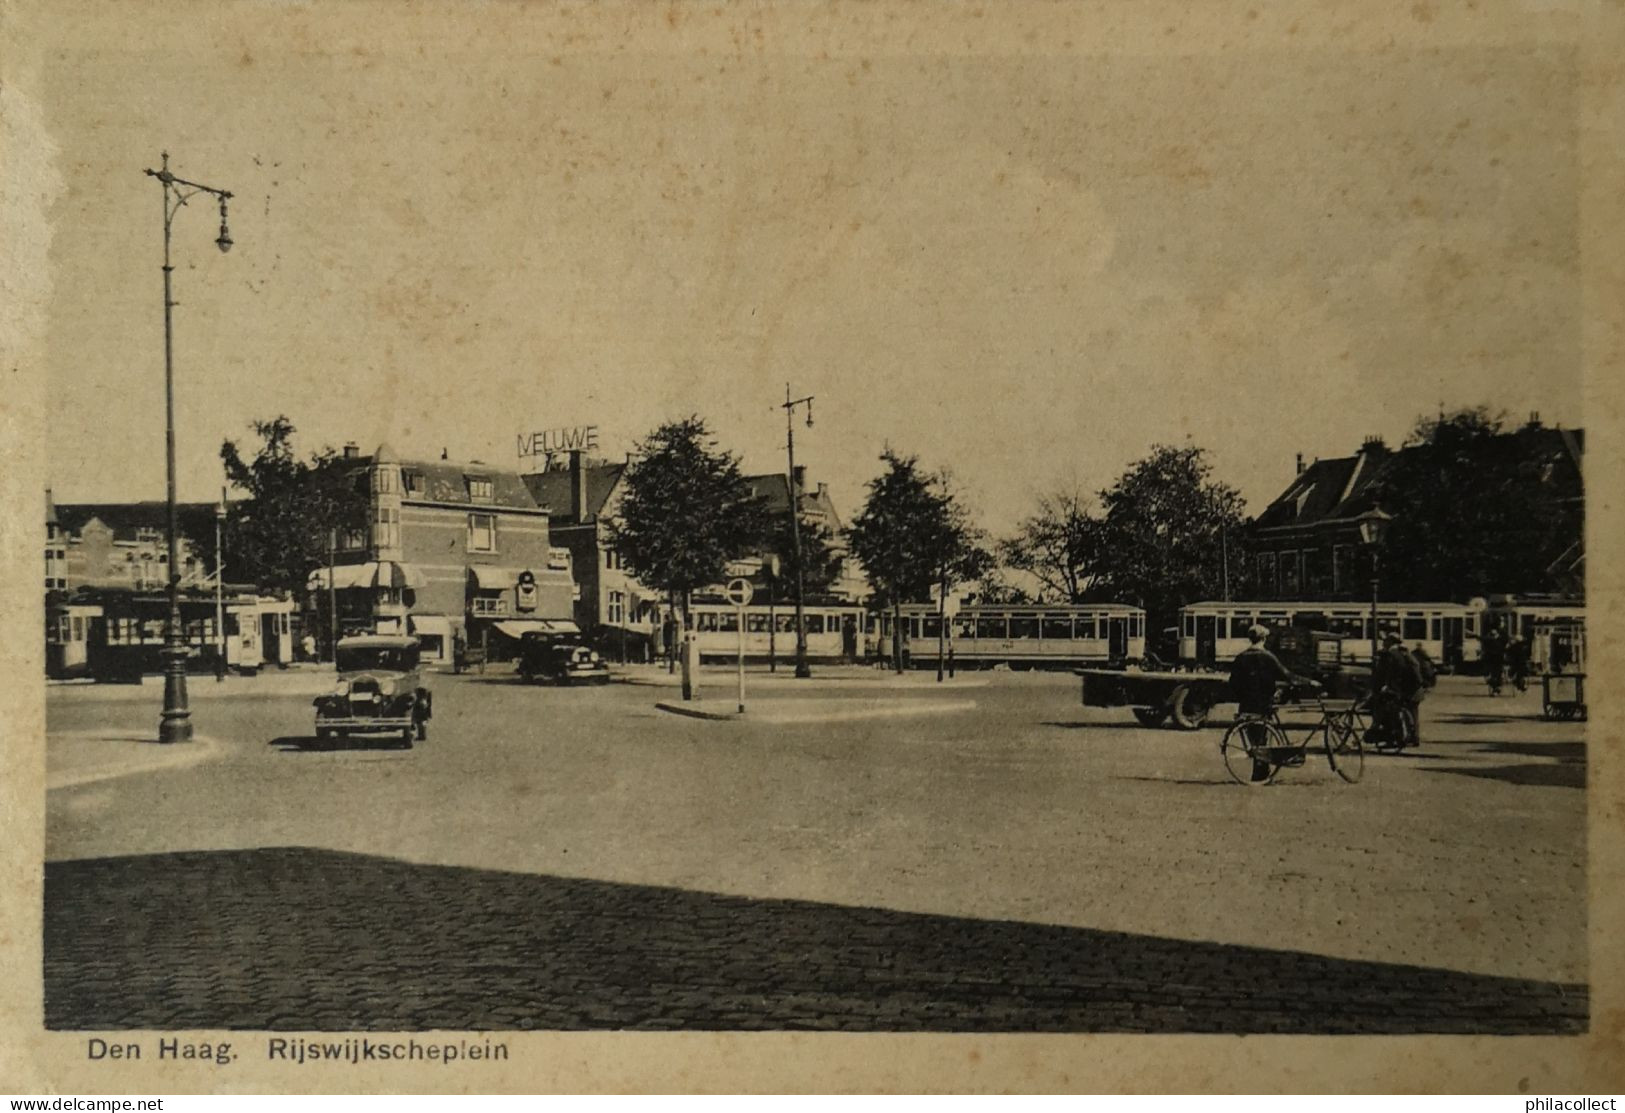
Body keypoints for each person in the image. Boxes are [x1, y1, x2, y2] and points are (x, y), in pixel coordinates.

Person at [1228, 624, 1313, 782]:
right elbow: (1287, 674)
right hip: (1263, 703)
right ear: (1264, 639)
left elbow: (1233, 683)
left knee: (1255, 739)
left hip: (1246, 704)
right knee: (1262, 737)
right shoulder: (1267, 656)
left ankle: (1260, 772)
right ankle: (1262, 771)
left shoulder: (1240, 657)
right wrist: (1309, 682)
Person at [1372, 633, 1424, 748]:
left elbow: (1395, 672)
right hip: (1416, 689)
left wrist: (1389, 686)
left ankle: (1397, 738)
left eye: (1386, 641)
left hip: (1408, 690)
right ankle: (1414, 737)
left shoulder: (1393, 654)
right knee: (1412, 714)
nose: (1383, 643)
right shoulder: (1405, 652)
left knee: (1394, 711)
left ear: (1390, 642)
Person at [1481, 622, 1507, 696]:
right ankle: (1494, 687)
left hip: (1499, 659)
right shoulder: (1489, 639)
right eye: (1492, 631)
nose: (1492, 632)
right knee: (1491, 673)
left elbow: (1505, 647)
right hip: (1491, 658)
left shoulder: (1501, 639)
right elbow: (1483, 639)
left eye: (1494, 631)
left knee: (1498, 673)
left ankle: (1497, 687)